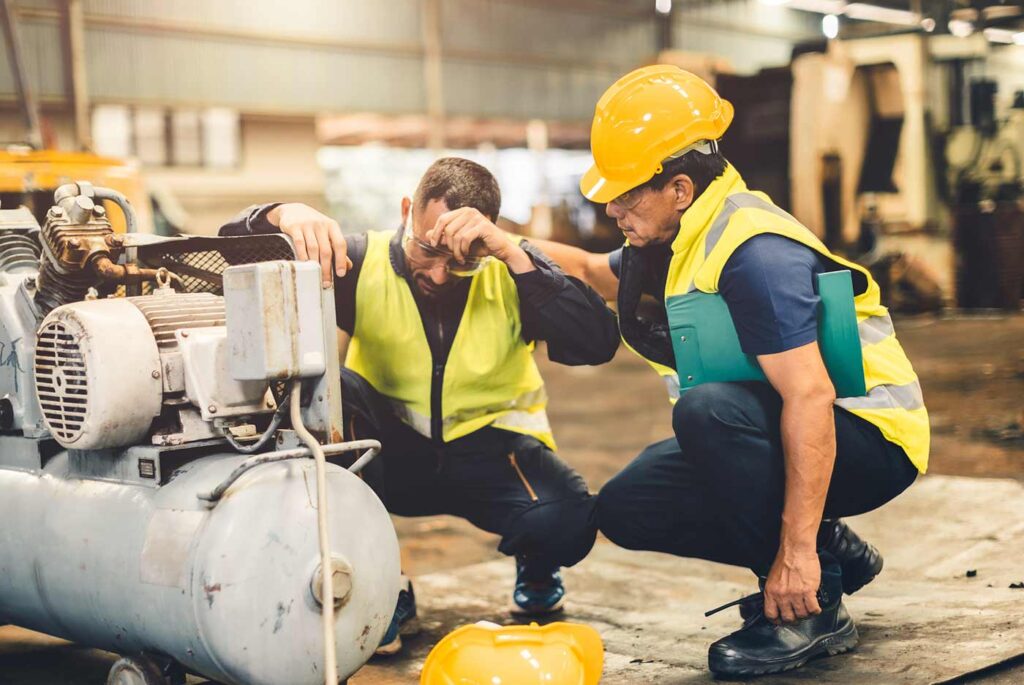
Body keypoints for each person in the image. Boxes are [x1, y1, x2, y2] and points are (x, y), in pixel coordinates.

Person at [531, 65, 929, 677]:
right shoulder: (678, 237)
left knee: (707, 410)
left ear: (680, 188)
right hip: (794, 425)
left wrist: (792, 551)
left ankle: (809, 603)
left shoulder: (752, 252)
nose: (612, 208)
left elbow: (811, 396)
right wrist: (495, 243)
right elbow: (586, 268)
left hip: (869, 435)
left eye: (627, 193)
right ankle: (835, 551)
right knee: (627, 507)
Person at [219, 157, 619, 655]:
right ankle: (383, 586)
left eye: (460, 258)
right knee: (334, 383)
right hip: (393, 453)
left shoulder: (508, 269)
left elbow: (597, 344)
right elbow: (226, 254)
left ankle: (536, 560)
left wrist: (512, 257)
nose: (439, 271)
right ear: (408, 210)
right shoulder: (359, 261)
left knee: (567, 523)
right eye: (428, 247)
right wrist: (282, 215)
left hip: (493, 453)